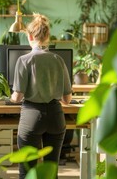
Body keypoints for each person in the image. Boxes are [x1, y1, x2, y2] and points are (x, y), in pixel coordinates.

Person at [10, 13, 72, 178]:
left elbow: (17, 97)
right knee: (51, 172)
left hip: (32, 117)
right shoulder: (58, 60)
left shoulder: (24, 60)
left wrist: (9, 98)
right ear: (47, 36)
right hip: (56, 117)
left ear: (29, 36)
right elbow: (67, 99)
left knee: (27, 172)